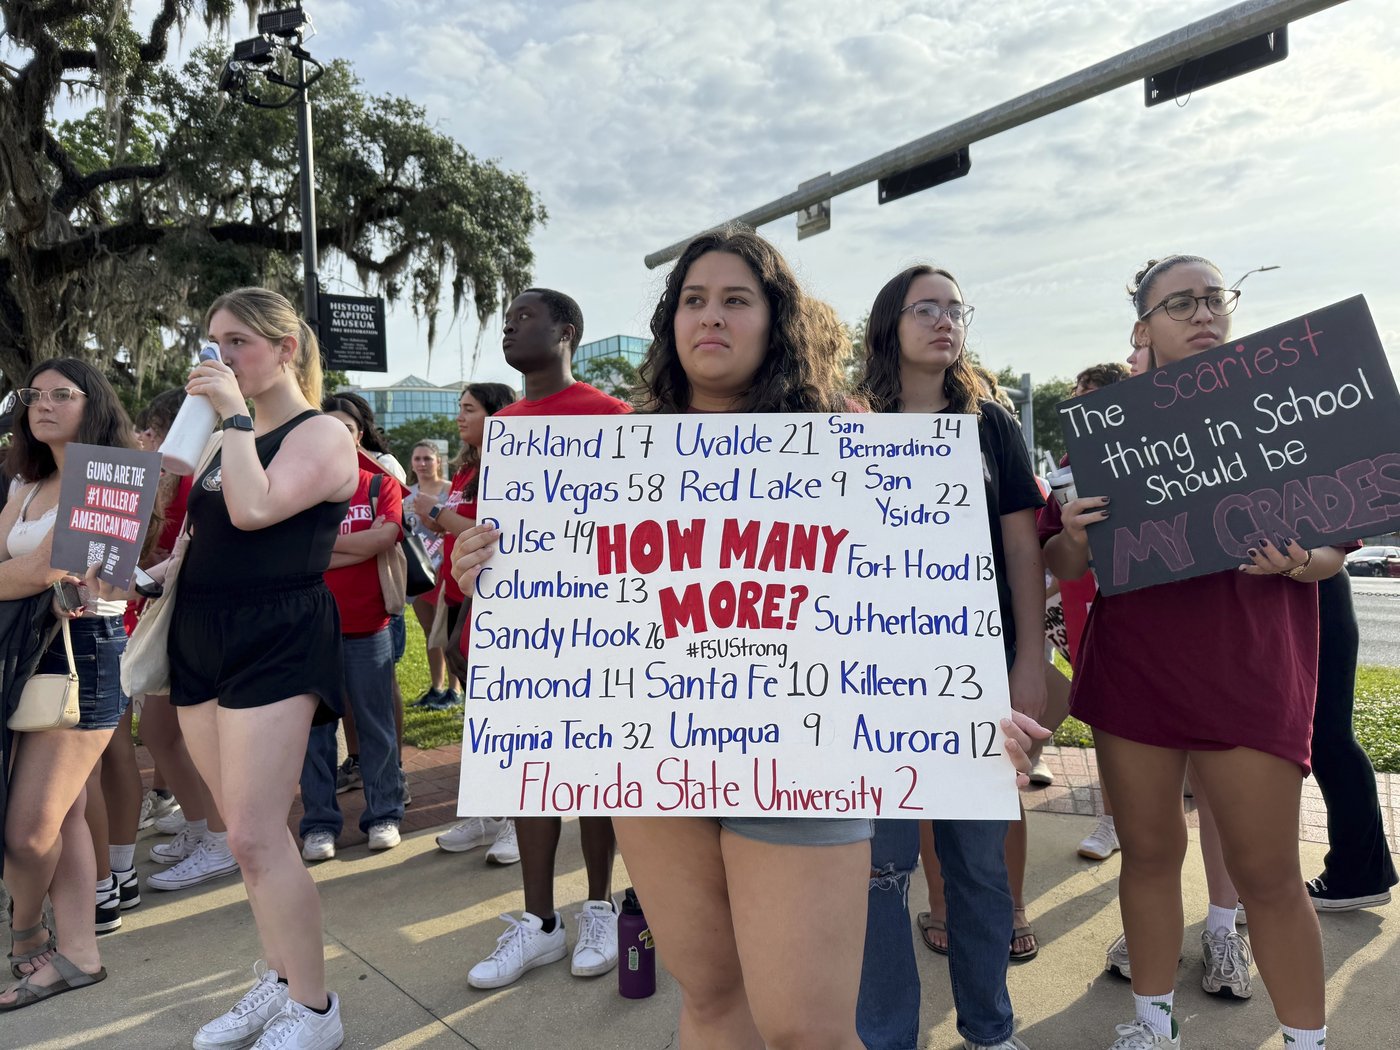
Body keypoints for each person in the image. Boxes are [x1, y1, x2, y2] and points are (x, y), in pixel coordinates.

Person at [453, 235, 1046, 1046]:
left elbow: (906, 608)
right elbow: (560, 623)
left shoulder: (846, 440)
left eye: (737, 299)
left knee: (809, 1031)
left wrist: (969, 708)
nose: (712, 316)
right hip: (656, 766)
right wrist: (487, 570)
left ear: (777, 320)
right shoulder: (612, 457)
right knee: (711, 1001)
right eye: (694, 299)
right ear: (672, 323)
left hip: (805, 763)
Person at [1043, 255, 1338, 1050]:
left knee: (1269, 875)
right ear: (1143, 328)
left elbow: (1335, 549)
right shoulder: (1107, 426)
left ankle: (1306, 1042)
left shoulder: (1286, 412)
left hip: (1249, 665)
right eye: (1180, 303)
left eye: (1214, 298)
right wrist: (1071, 534)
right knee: (1146, 854)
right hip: (1136, 669)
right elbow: (1064, 564)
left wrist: (1301, 561)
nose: (1202, 312)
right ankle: (1152, 1026)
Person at [93, 286, 358, 1049]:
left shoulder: (322, 435)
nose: (217, 357)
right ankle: (279, 979)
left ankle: (314, 1007)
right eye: (211, 341)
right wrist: (136, 575)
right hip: (201, 629)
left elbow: (255, 510)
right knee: (252, 836)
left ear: (285, 350)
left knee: (250, 835)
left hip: (277, 630)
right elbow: (199, 537)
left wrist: (235, 414)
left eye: (237, 341)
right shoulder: (218, 437)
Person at [853, 265, 1048, 1050]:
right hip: (873, 684)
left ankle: (991, 1031)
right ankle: (885, 1035)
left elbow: (1023, 553)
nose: (943, 320)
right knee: (881, 873)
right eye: (923, 307)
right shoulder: (849, 420)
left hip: (979, 678)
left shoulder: (992, 424)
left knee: (977, 867)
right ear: (888, 323)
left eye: (954, 309)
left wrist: (1028, 662)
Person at [444, 291, 631, 989]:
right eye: (506, 320)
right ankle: (538, 922)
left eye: (526, 318)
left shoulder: (613, 416)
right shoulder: (506, 429)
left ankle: (599, 905)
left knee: (598, 773)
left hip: (598, 624)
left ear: (566, 333)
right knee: (533, 772)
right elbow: (493, 532)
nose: (510, 327)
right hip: (523, 629)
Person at [0, 360, 136, 1010]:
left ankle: (27, 937)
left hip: (85, 653)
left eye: (63, 394)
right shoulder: (26, 482)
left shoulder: (111, 475)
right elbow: (23, 569)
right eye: (36, 394)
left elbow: (54, 567)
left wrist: (28, 572)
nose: (44, 403)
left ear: (94, 404)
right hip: (25, 650)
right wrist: (27, 573)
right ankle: (80, 953)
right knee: (68, 816)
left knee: (27, 831)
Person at [427, 383, 524, 861]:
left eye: (469, 409)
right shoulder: (468, 469)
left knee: (505, 714)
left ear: (497, 414)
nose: (460, 417)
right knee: (478, 715)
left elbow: (498, 532)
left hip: (498, 602)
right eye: (459, 409)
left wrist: (437, 514)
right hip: (458, 594)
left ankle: (518, 821)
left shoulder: (510, 465)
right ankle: (488, 811)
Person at [404, 440, 456, 707]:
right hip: (422, 574)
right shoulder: (407, 495)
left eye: (427, 458)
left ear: (438, 461)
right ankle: (436, 687)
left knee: (449, 631)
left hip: (449, 571)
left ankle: (454, 690)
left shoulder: (451, 491)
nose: (422, 464)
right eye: (417, 459)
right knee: (430, 632)